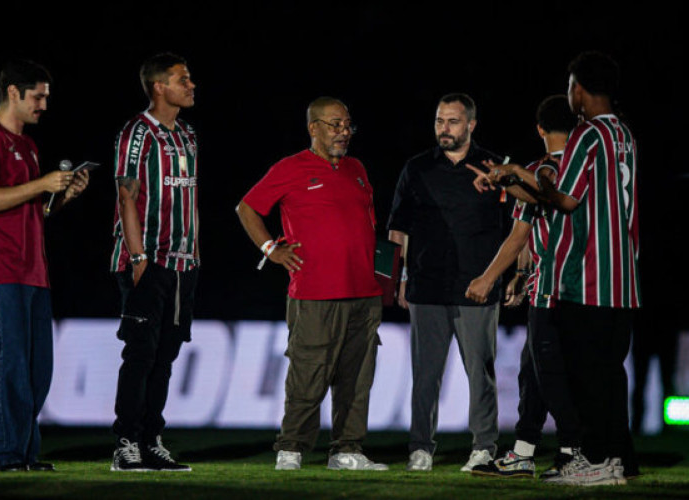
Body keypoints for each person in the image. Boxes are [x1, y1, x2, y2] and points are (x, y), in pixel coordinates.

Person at [479, 51, 640, 482]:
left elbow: (564, 199)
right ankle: (618, 460)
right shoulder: (624, 133)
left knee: (582, 378)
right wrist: (516, 178)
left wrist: (517, 176)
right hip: (622, 277)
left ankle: (595, 460)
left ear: (580, 91)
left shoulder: (587, 135)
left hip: (586, 277)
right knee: (608, 374)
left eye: (571, 85)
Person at [236, 97, 387, 471]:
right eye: (334, 125)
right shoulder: (292, 167)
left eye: (347, 125)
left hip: (365, 294)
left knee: (356, 378)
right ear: (313, 128)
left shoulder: (357, 168)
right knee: (308, 372)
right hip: (315, 293)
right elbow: (247, 208)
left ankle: (347, 449)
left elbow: (366, 227)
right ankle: (292, 448)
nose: (343, 132)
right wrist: (271, 249)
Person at [0, 59, 89, 472]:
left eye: (46, 97)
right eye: (38, 96)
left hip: (33, 268)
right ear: (13, 93)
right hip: (2, 268)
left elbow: (28, 208)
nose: (43, 106)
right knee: (11, 361)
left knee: (38, 370)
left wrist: (60, 196)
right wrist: (42, 184)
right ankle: (0, 454)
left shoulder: (29, 146)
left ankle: (24, 453)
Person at [387, 93, 504, 472]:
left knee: (480, 373)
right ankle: (420, 448)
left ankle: (484, 447)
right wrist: (400, 277)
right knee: (425, 376)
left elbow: (518, 227)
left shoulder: (495, 167)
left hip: (477, 286)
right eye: (439, 121)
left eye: (453, 121)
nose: (444, 129)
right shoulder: (417, 168)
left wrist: (511, 275)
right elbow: (398, 227)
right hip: (427, 285)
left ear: (471, 124)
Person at [109, 53, 199, 472]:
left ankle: (150, 440)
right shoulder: (138, 132)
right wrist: (137, 253)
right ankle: (126, 443)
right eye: (183, 79)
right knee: (140, 353)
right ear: (159, 86)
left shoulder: (187, 135)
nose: (191, 84)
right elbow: (126, 195)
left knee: (166, 355)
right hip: (148, 260)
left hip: (184, 264)